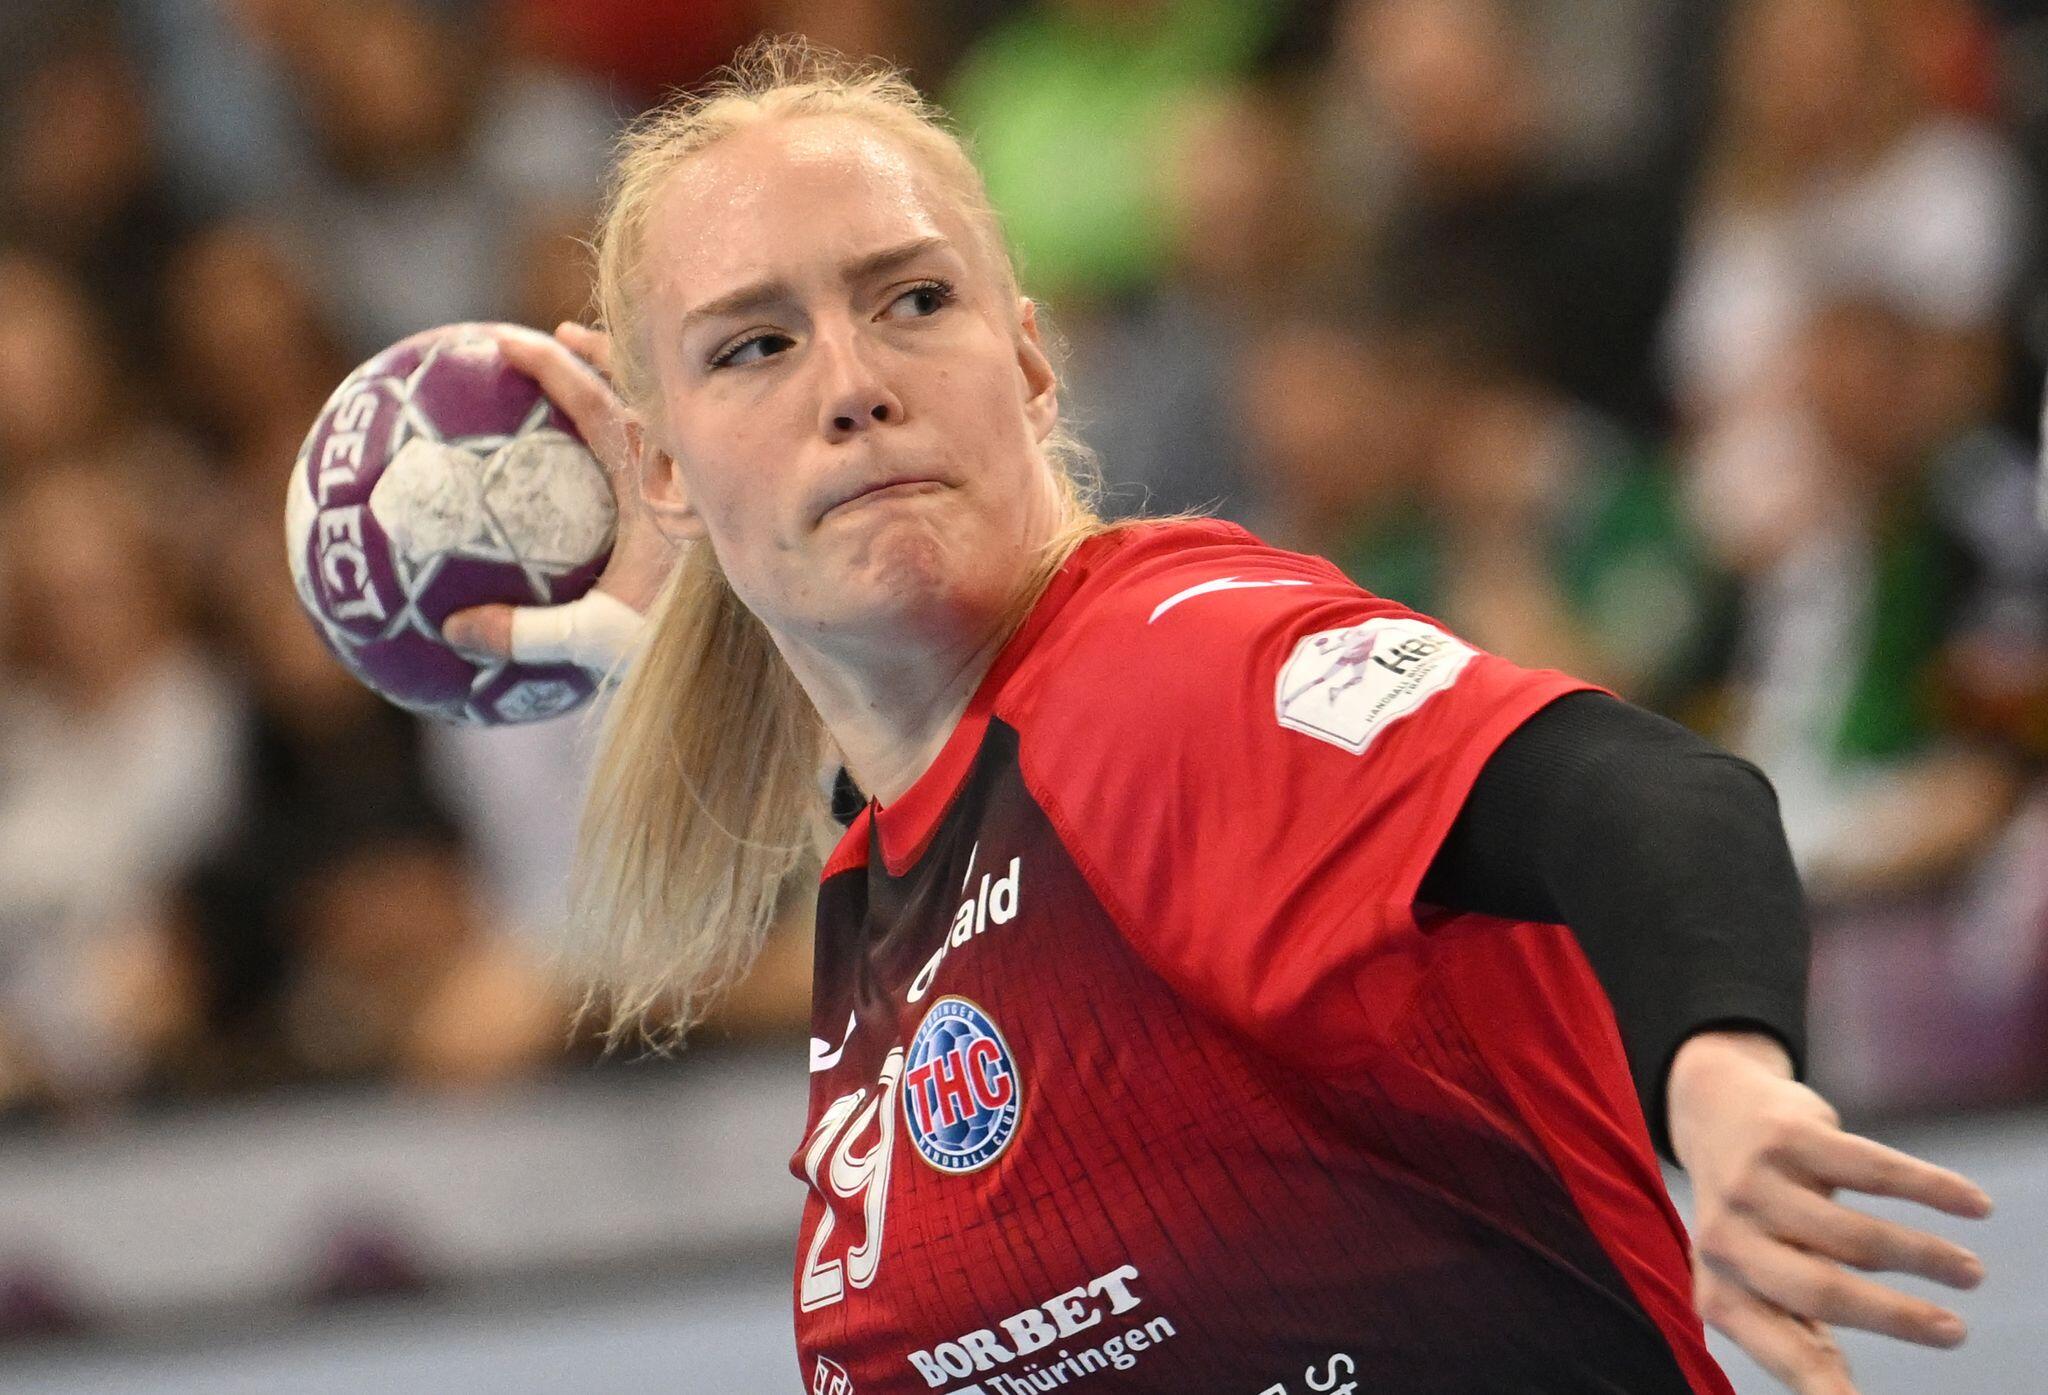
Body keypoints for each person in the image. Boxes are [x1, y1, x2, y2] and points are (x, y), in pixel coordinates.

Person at [440, 41, 1992, 1395]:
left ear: (1030, 365)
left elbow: (1639, 794)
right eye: (754, 347)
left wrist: (1725, 1083)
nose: (851, 383)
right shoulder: (891, 890)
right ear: (661, 468)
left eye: (912, 301)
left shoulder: (1157, 664)